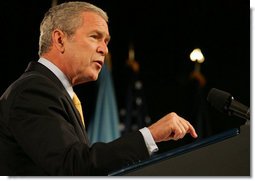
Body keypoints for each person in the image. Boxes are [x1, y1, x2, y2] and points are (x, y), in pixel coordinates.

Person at [0, 1, 198, 176]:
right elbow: (73, 166)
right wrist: (150, 135)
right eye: (95, 37)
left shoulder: (55, 91)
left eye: (106, 41)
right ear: (60, 40)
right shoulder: (33, 91)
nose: (104, 49)